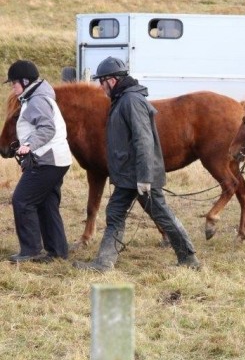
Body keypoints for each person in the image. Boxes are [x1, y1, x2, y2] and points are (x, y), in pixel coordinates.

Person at [73, 57, 200, 271]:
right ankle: (104, 263)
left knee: (162, 214)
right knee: (114, 213)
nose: (100, 87)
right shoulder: (122, 99)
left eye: (101, 81)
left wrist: (144, 177)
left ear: (111, 80)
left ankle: (188, 259)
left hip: (139, 175)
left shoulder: (131, 101)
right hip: (127, 175)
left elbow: (143, 140)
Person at [5, 60, 72, 263]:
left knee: (22, 200)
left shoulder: (36, 101)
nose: (12, 87)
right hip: (56, 159)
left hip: (47, 161)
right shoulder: (37, 97)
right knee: (47, 203)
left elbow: (47, 128)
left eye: (14, 83)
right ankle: (57, 251)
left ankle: (31, 250)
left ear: (25, 81)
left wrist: (29, 145)